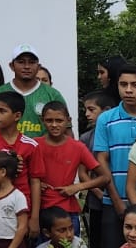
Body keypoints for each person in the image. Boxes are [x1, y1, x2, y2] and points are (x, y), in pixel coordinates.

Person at [91, 63, 136, 248]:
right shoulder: (106, 119)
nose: (128, 90)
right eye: (123, 84)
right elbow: (102, 159)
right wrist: (116, 200)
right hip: (113, 199)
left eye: (135, 85)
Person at [31, 101, 109, 236]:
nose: (54, 125)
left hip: (67, 211)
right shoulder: (34, 144)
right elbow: (23, 174)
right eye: (49, 120)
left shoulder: (78, 147)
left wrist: (77, 187)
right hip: (40, 210)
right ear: (41, 120)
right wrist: (34, 182)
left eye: (59, 120)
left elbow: (105, 177)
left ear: (68, 120)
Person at [0, 45, 65, 138]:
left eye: (32, 62)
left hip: (43, 152)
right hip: (7, 152)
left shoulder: (53, 95)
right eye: (21, 62)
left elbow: (66, 131)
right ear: (12, 66)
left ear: (38, 66)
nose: (26, 66)